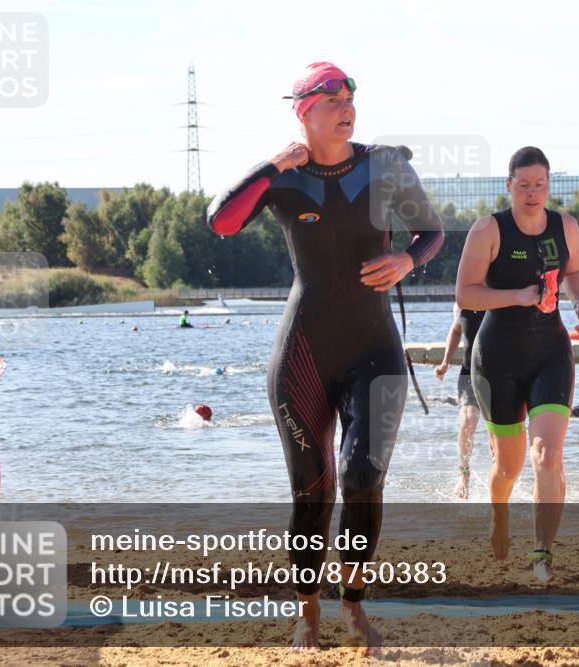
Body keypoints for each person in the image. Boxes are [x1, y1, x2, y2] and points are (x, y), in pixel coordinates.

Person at [207, 62, 443, 651]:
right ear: (303, 111)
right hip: (304, 352)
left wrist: (408, 262)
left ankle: (355, 601)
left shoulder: (384, 166)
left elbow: (433, 233)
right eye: (332, 97)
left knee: (364, 476)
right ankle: (308, 612)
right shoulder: (284, 180)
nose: (346, 105)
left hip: (374, 348)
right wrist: (270, 167)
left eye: (351, 95)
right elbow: (222, 221)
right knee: (314, 489)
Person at [455, 146, 579, 583]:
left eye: (540, 185)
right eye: (524, 185)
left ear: (549, 185)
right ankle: (499, 514)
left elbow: (573, 271)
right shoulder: (488, 230)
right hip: (496, 357)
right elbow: (465, 293)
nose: (532, 193)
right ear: (509, 185)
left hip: (550, 353)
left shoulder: (565, 226)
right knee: (508, 468)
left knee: (548, 455)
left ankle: (542, 553)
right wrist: (515, 297)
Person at [434, 304, 485, 499]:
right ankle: (464, 475)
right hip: (469, 373)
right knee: (467, 423)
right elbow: (456, 330)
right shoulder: (463, 301)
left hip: (500, 374)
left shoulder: (502, 289)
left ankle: (502, 484)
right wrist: (446, 361)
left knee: (496, 438)